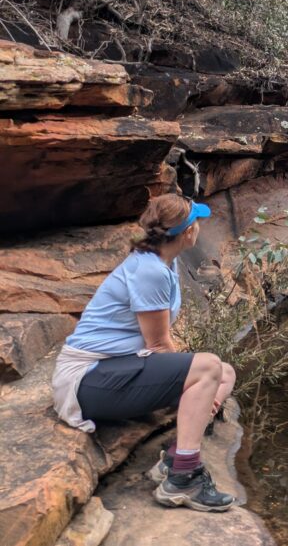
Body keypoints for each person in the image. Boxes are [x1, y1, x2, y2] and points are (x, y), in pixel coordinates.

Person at [51, 193, 237, 512]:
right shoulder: (149, 270)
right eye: (197, 221)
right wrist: (192, 380)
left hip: (117, 369)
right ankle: (184, 478)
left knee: (225, 371)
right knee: (208, 369)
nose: (200, 226)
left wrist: (193, 384)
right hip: (87, 381)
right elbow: (159, 346)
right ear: (188, 231)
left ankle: (178, 457)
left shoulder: (164, 260)